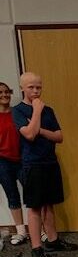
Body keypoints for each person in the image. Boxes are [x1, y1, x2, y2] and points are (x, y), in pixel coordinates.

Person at [12, 73, 78, 257]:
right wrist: (37, 112)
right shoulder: (18, 111)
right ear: (23, 87)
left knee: (49, 204)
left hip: (50, 162)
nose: (35, 91)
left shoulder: (49, 110)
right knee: (35, 207)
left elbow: (59, 136)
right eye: (31, 87)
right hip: (33, 164)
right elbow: (30, 135)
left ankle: (53, 241)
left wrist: (41, 128)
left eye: (38, 87)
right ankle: (36, 249)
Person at [0, 82, 27, 245]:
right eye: (1, 92)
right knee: (12, 195)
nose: (4, 95)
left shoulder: (17, 113)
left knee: (33, 194)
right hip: (2, 161)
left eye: (7, 92)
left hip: (23, 159)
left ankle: (42, 230)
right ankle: (21, 231)